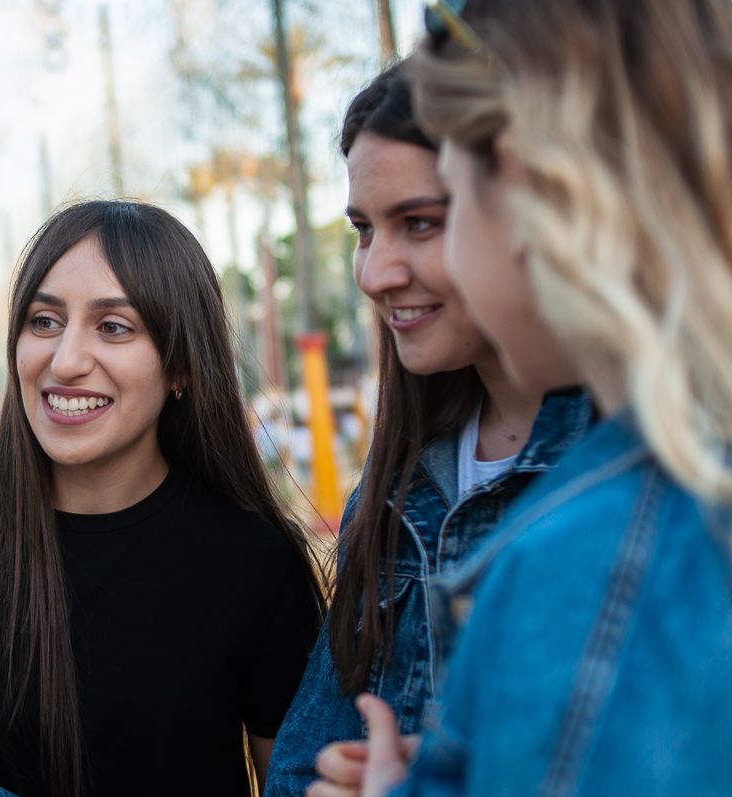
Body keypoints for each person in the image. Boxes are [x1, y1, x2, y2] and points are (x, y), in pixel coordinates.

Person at [345, 1, 732, 794]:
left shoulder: (579, 564)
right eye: (361, 231)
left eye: (439, 209)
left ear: (527, 188)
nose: (379, 272)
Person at [0, 200, 324, 797]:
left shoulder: (255, 563)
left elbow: (294, 784)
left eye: (114, 327)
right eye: (44, 321)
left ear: (181, 364)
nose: (66, 361)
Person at [263, 61, 593, 796]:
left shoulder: (636, 478)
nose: (376, 272)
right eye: (362, 230)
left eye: (419, 223)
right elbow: (298, 769)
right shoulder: (390, 496)